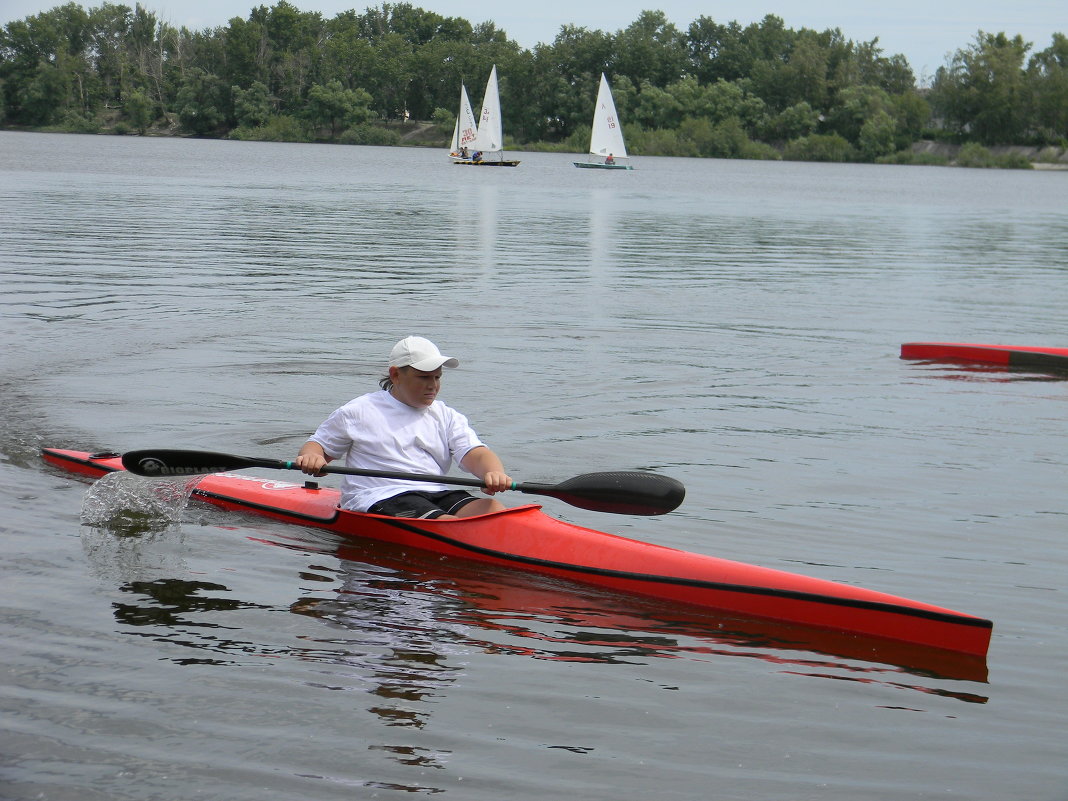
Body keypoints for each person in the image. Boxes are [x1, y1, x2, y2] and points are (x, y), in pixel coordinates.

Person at [296, 336, 513, 520]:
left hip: (434, 492)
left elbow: (475, 453)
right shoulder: (359, 410)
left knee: (492, 510)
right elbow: (318, 447)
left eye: (437, 377)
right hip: (378, 495)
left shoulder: (446, 415)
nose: (433, 385)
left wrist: (493, 473)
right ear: (396, 375)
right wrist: (312, 458)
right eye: (424, 377)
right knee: (444, 523)